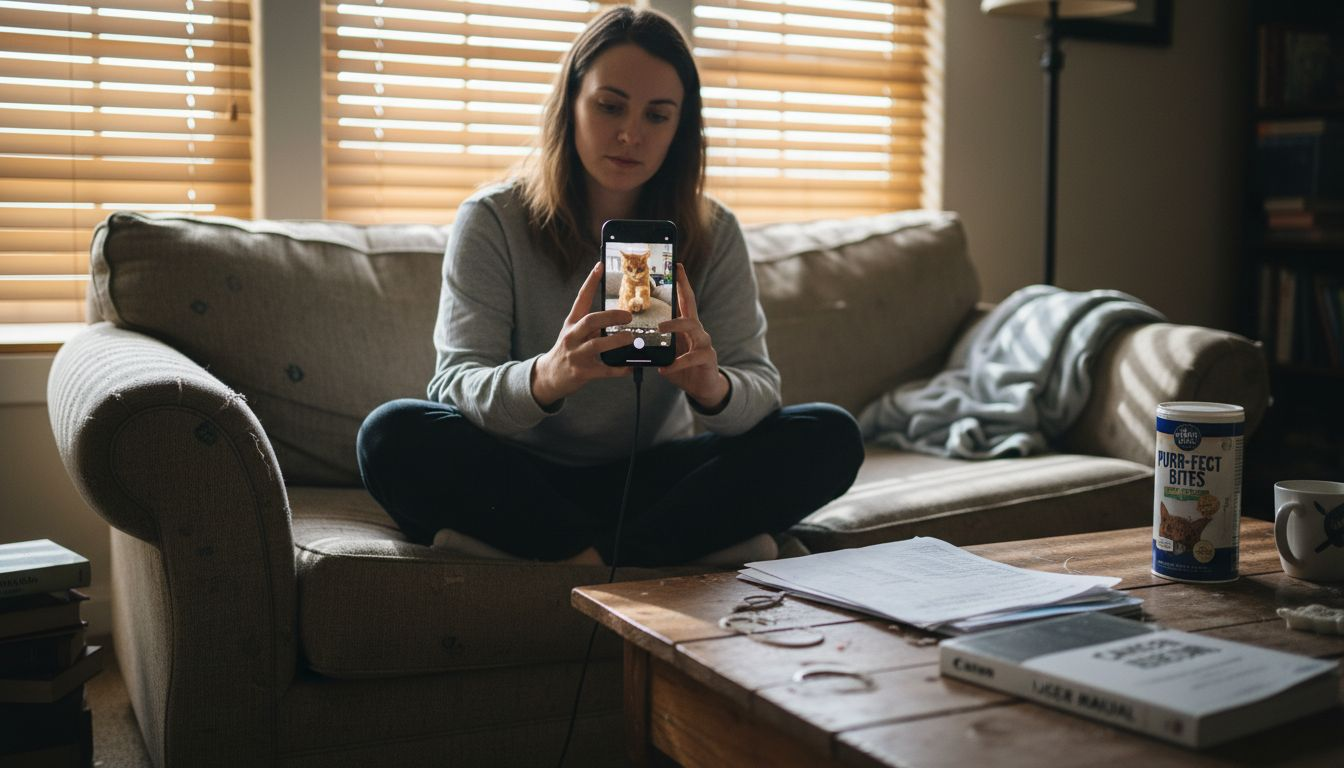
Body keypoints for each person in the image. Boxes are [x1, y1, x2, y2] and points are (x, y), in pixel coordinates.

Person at [356, 6, 863, 568]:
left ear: (681, 128)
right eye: (610, 105)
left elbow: (760, 391)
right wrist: (548, 377)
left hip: (656, 478)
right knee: (389, 435)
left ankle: (576, 554)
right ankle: (658, 554)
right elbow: (454, 386)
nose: (630, 134)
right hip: (523, 478)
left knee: (831, 436)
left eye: (658, 116)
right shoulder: (493, 219)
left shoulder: (713, 232)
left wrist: (711, 386)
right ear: (570, 103)